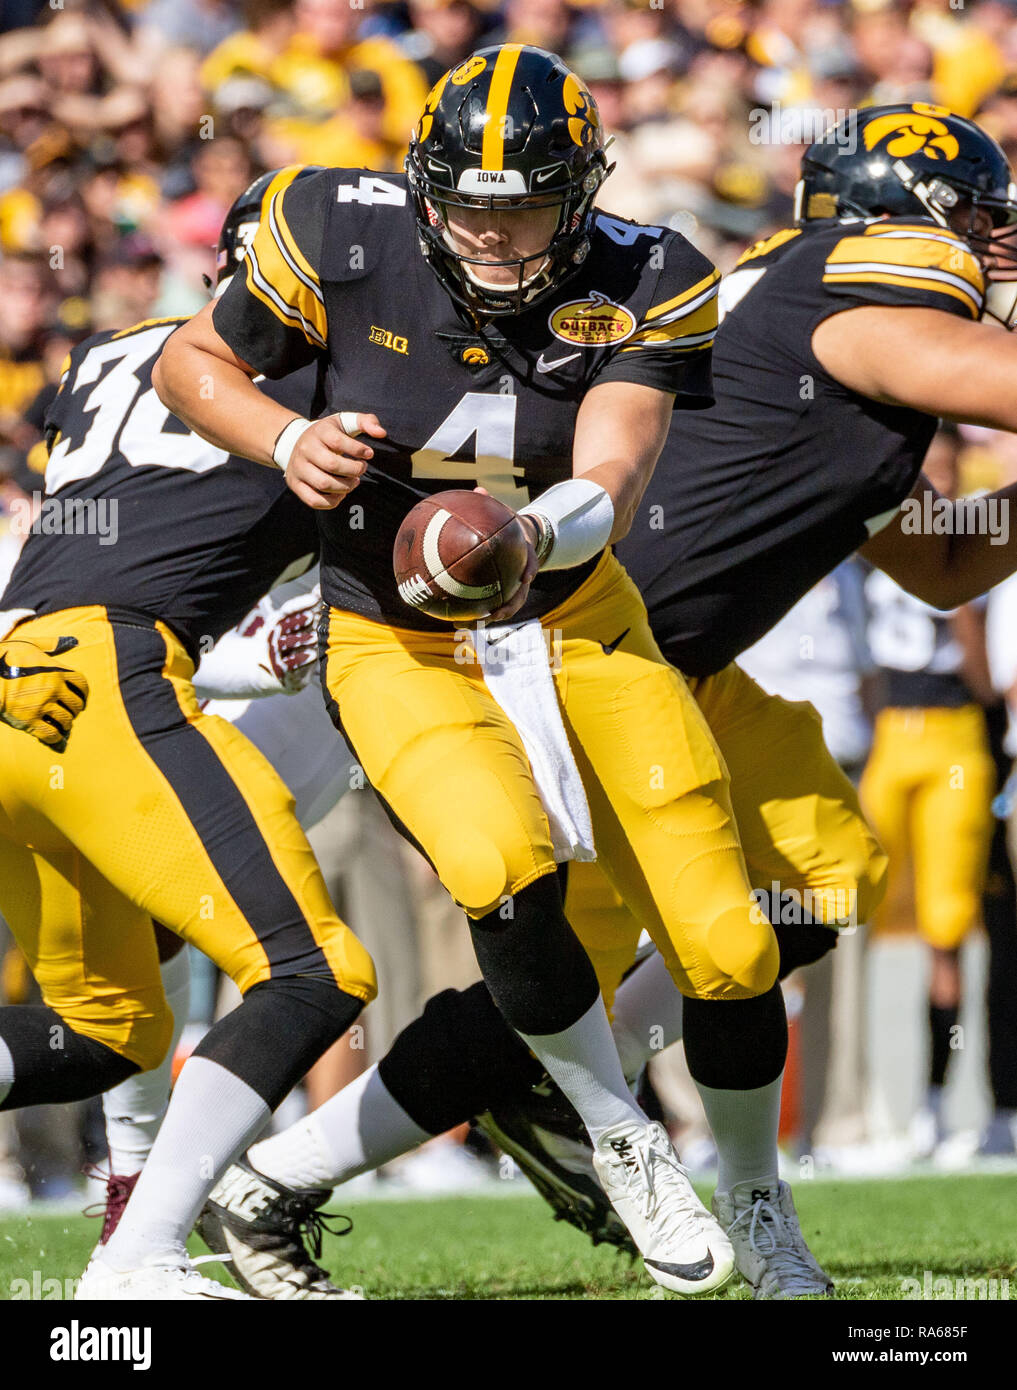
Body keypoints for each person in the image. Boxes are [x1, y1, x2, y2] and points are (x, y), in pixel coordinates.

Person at [197, 101, 1017, 1302]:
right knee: (564, 957)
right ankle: (281, 1176)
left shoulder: (827, 342)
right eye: (984, 223)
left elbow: (941, 562)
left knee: (817, 873)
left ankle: (556, 1078)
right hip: (564, 647)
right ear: (917, 219)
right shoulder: (856, 288)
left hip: (671, 654)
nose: (998, 245)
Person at [156, 42, 756, 1297]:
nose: (490, 235)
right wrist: (285, 437)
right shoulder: (334, 227)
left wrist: (527, 534)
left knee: (730, 941)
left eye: (522, 205)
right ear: (425, 185)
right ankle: (623, 1133)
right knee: (496, 866)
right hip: (392, 632)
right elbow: (187, 364)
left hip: (576, 616)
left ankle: (768, 1222)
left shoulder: (648, 273)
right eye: (468, 205)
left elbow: (619, 470)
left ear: (581, 189)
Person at [0, 165, 378, 1301]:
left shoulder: (102, 353)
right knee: (315, 971)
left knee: (108, 1023)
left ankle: (134, 1228)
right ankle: (138, 1257)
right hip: (111, 679)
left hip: (15, 675)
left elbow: (114, 539)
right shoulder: (327, 358)